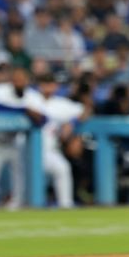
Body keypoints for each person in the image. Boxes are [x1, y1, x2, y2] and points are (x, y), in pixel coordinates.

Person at [0, 66, 43, 211]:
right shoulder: (1, 90)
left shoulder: (33, 95)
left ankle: (15, 211)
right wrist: (25, 110)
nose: (19, 82)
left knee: (19, 182)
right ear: (11, 81)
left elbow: (42, 119)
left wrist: (34, 114)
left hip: (13, 141)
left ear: (27, 81)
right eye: (16, 80)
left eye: (22, 80)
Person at [26, 73, 87, 209]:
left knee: (62, 168)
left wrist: (72, 123)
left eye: (51, 84)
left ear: (56, 86)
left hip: (49, 150)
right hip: (27, 149)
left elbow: (85, 110)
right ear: (39, 85)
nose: (48, 87)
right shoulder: (31, 97)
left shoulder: (61, 104)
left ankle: (65, 206)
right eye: (45, 83)